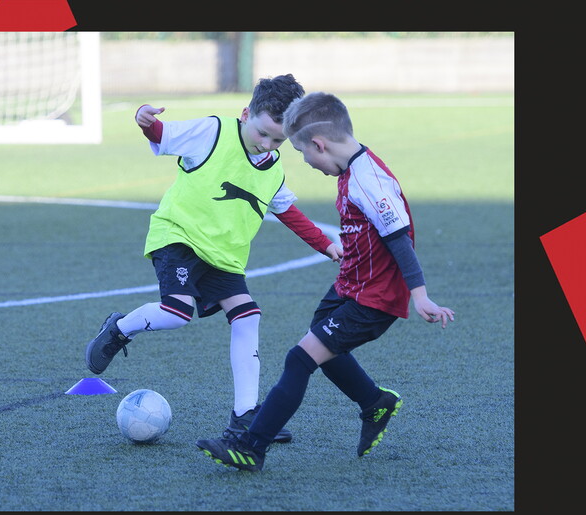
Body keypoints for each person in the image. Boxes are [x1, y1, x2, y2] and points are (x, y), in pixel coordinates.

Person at [195, 91, 455, 471]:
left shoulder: (369, 180)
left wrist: (421, 296)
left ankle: (251, 447)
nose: (308, 163)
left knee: (300, 359)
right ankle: (374, 402)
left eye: (304, 155)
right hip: (350, 284)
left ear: (320, 143)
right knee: (323, 343)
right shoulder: (351, 169)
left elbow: (399, 238)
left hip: (373, 299)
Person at [85, 75, 343, 443]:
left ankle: (245, 418)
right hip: (179, 237)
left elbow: (288, 212)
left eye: (278, 139)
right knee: (176, 313)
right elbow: (162, 134)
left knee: (248, 317)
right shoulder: (213, 132)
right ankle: (119, 328)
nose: (267, 145)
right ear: (244, 114)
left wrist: (326, 245)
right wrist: (146, 120)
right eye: (263, 133)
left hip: (223, 257)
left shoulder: (272, 168)